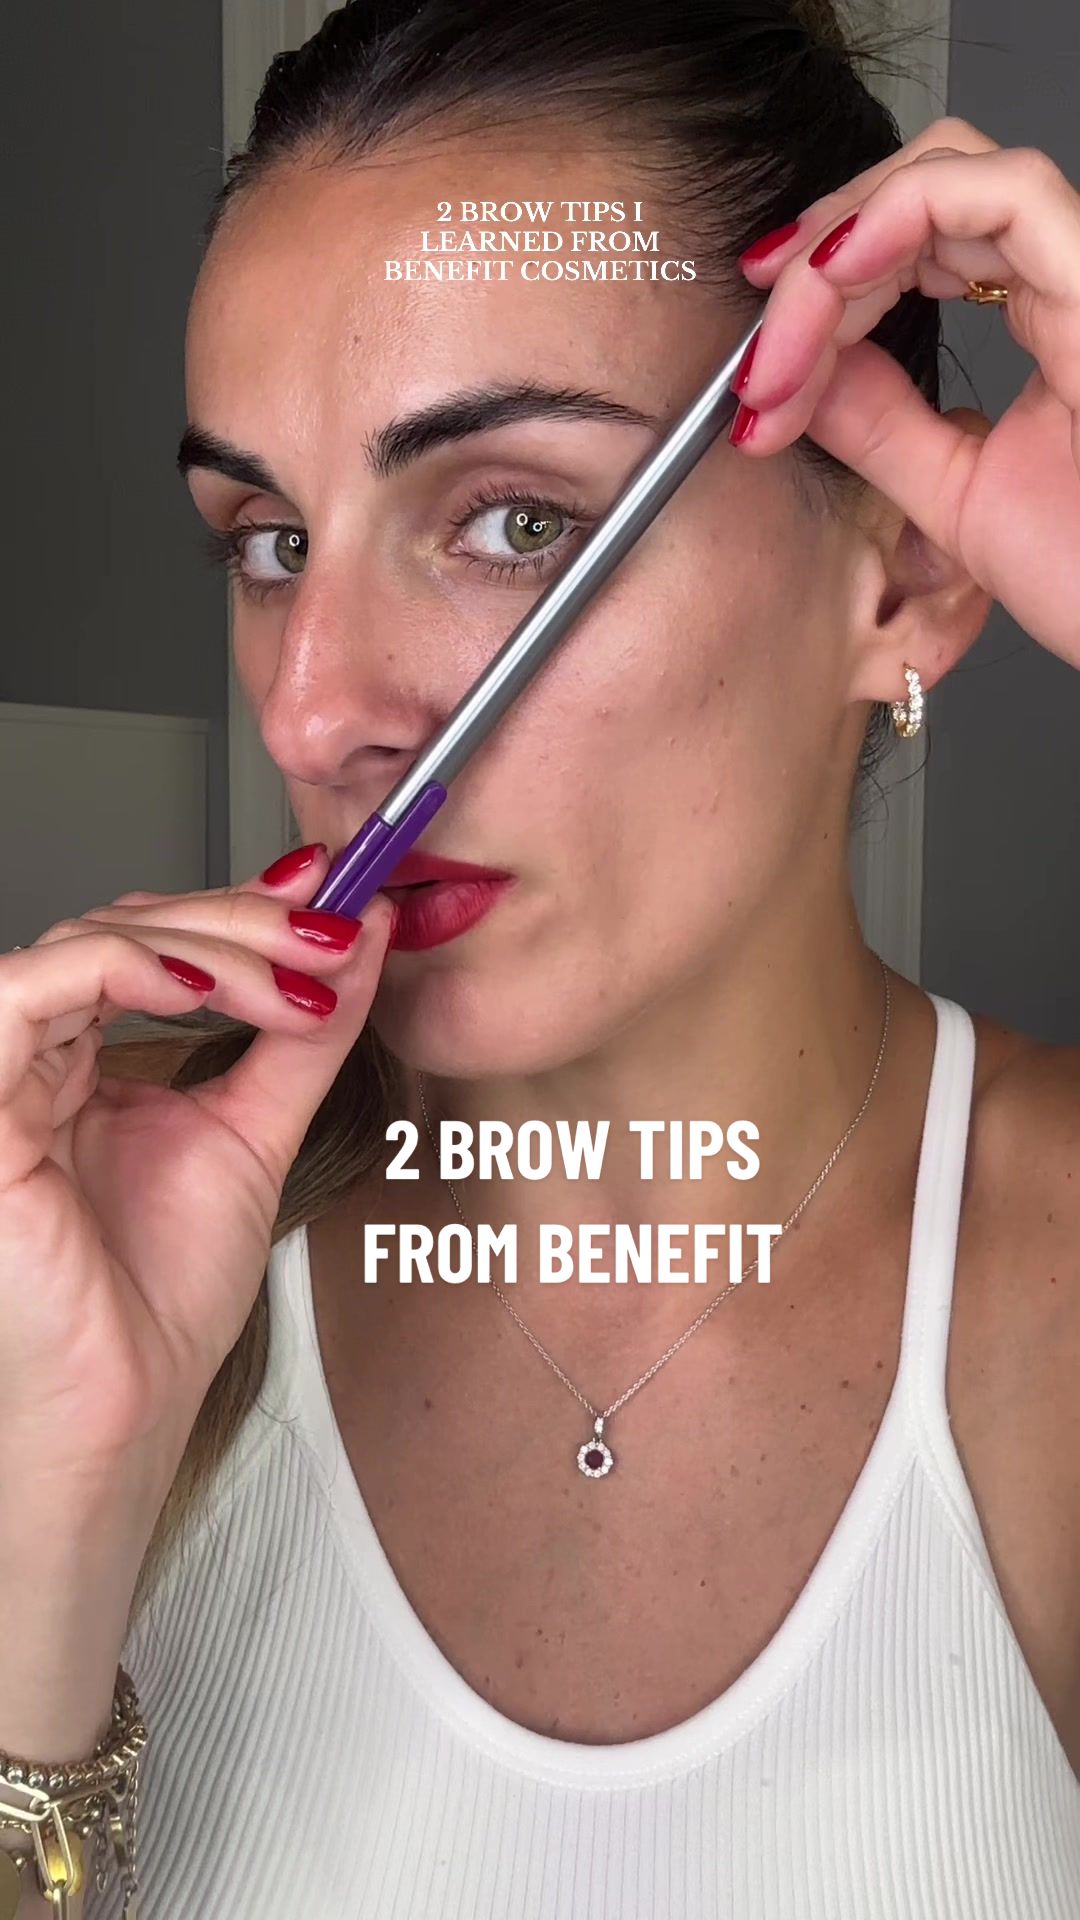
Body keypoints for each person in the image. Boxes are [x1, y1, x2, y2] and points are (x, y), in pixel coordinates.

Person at [1, 1, 1078, 1914]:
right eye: (269, 540)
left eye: (514, 520)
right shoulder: (66, 1220)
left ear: (906, 571)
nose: (313, 711)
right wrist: (44, 1567)